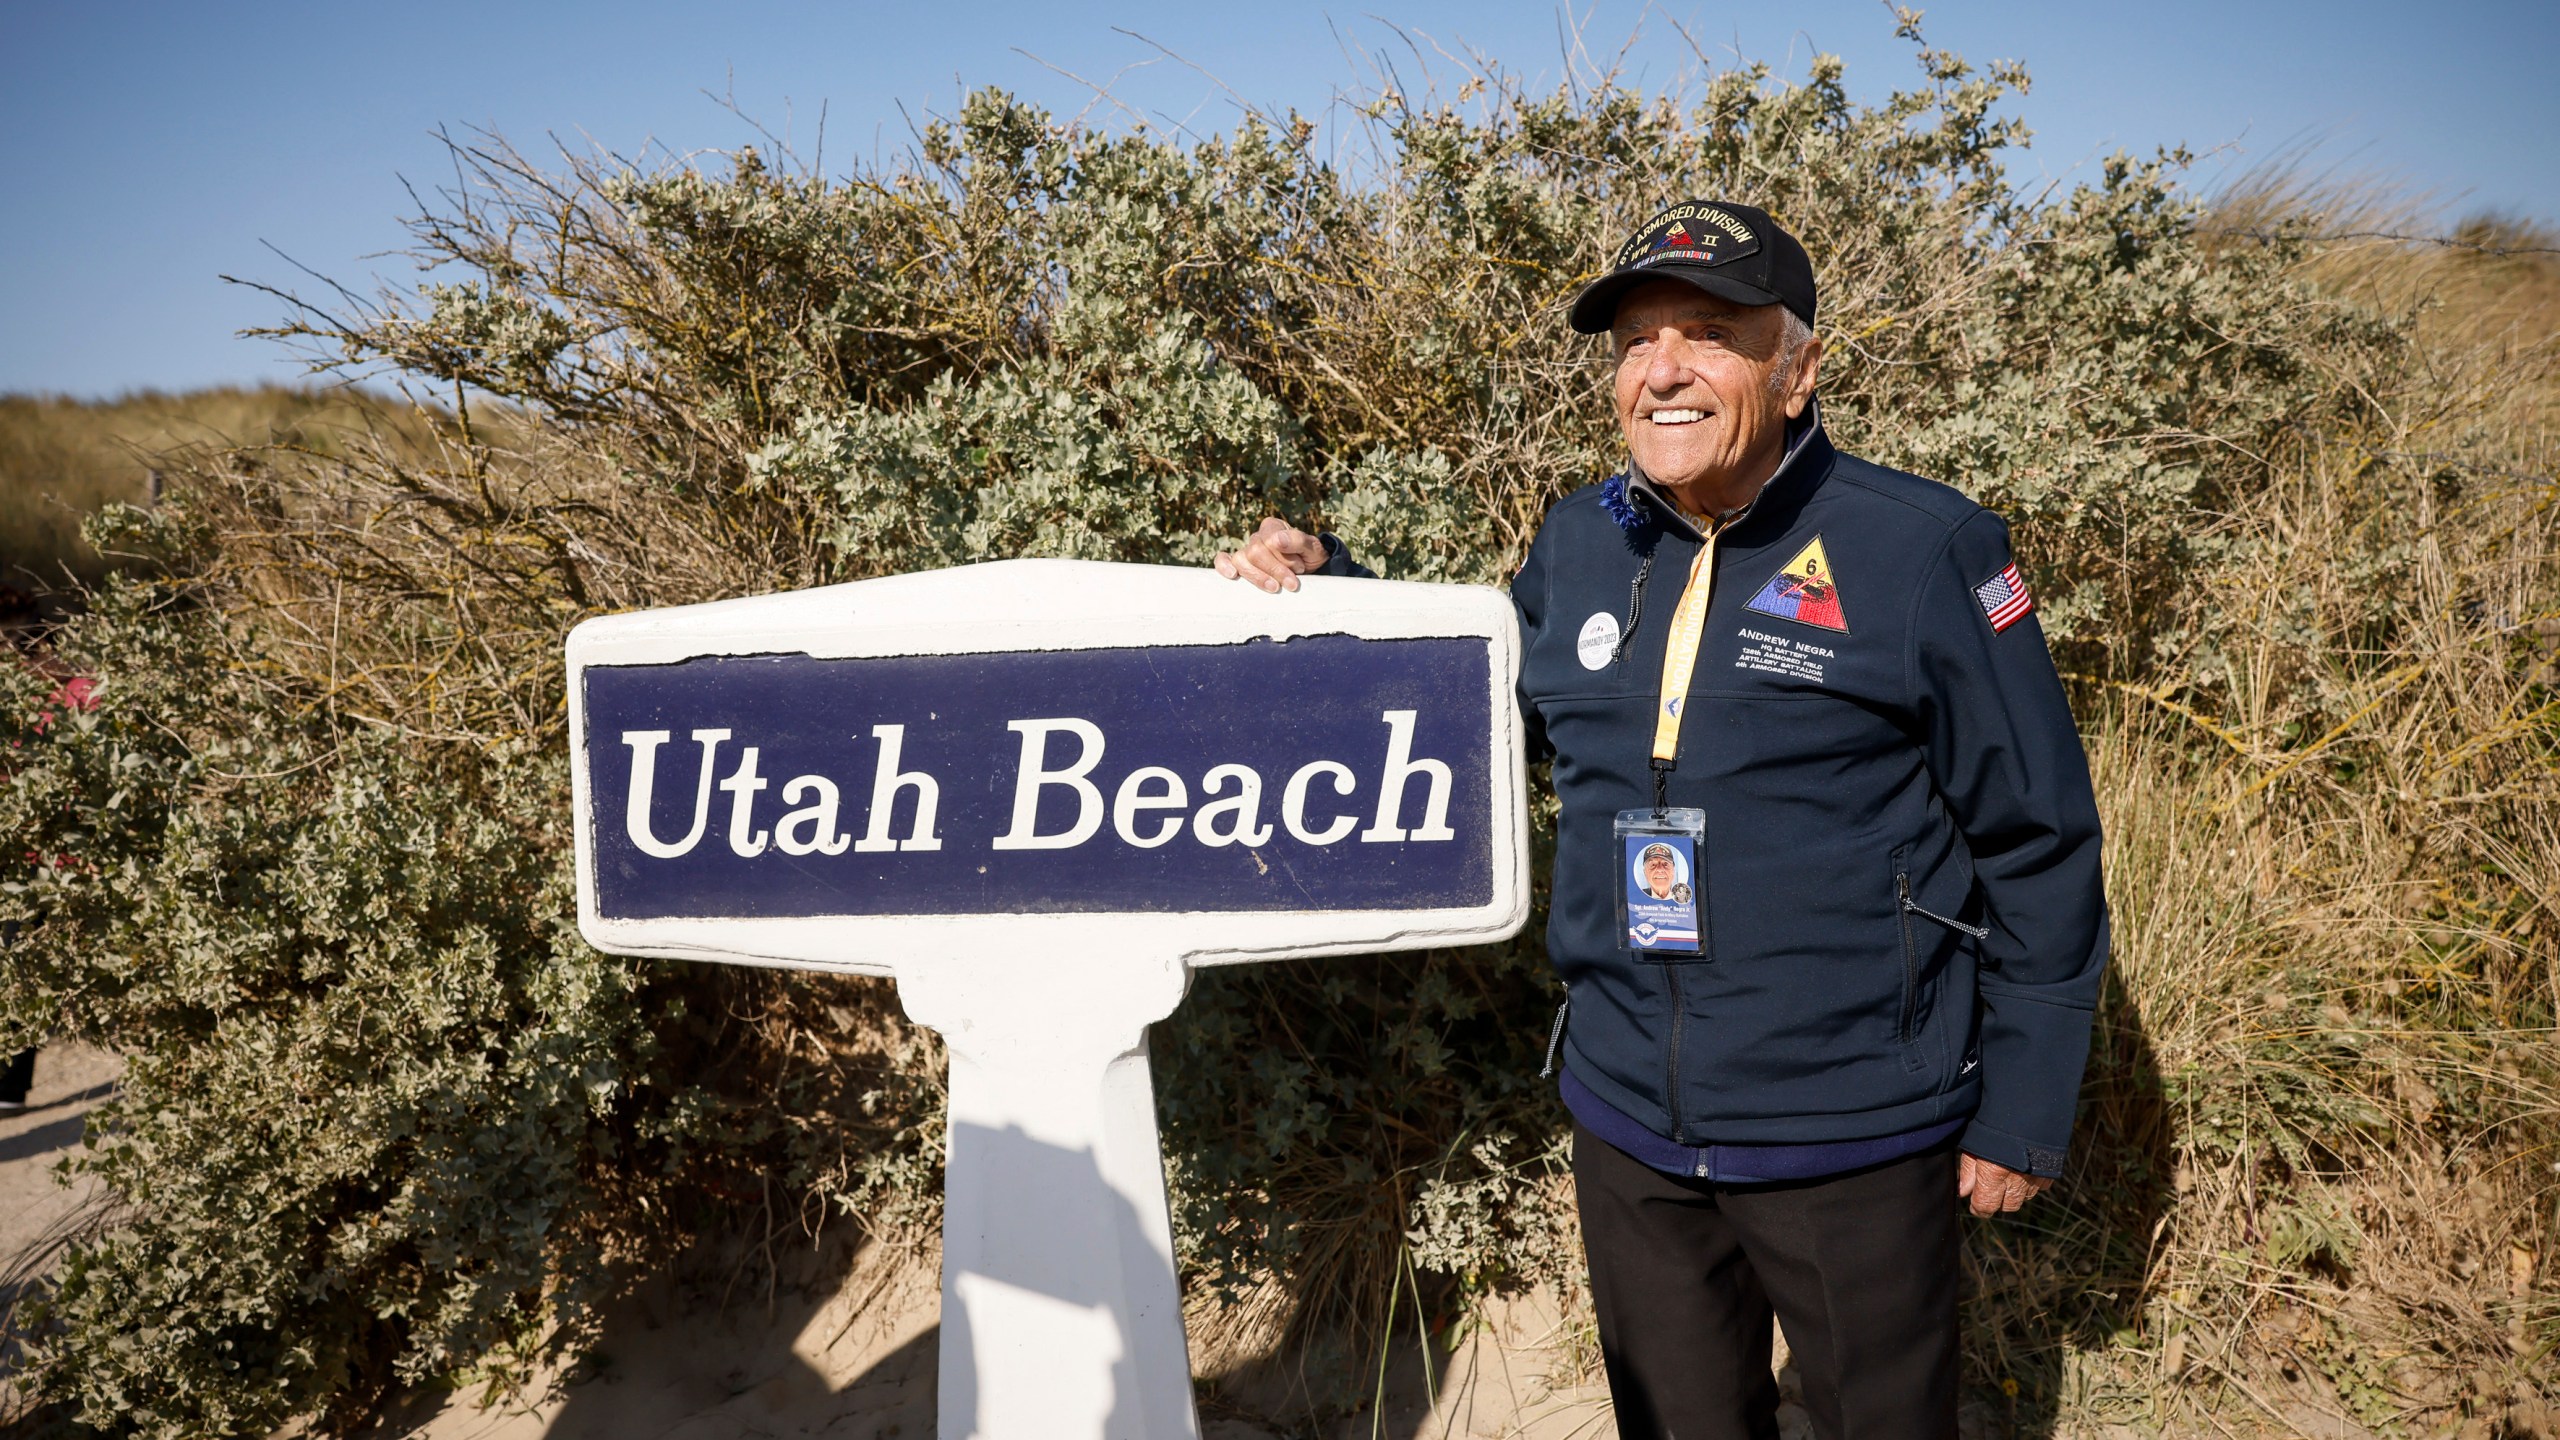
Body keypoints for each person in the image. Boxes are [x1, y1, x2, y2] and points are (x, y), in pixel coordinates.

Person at [1215, 200, 2109, 1440]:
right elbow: (1485, 702)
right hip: (1627, 1112)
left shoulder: (1924, 551)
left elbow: (2040, 835)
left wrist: (2024, 1103)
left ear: (1795, 370)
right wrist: (1328, 593)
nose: (1662, 370)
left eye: (1708, 334)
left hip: (1848, 1122)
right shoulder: (1584, 538)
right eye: (1636, 339)